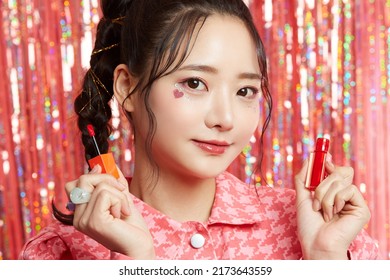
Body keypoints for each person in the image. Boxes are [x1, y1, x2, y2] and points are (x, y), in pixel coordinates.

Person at [19, 0, 380, 260]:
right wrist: (137, 262)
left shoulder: (322, 230)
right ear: (127, 87)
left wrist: (325, 259)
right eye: (194, 83)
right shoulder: (64, 251)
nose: (225, 118)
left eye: (245, 91)